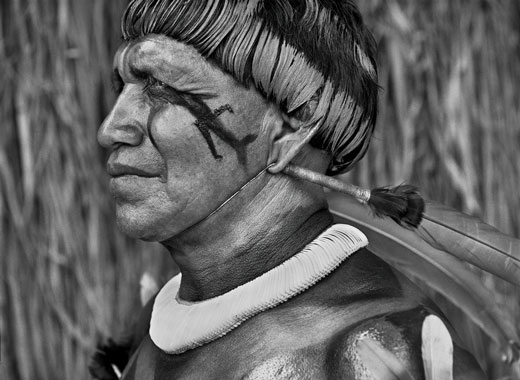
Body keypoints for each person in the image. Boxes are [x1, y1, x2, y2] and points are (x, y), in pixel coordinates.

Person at [91, 0, 488, 378]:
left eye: (158, 86)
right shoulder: (152, 334)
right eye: (121, 87)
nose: (110, 129)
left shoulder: (373, 354)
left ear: (293, 126)